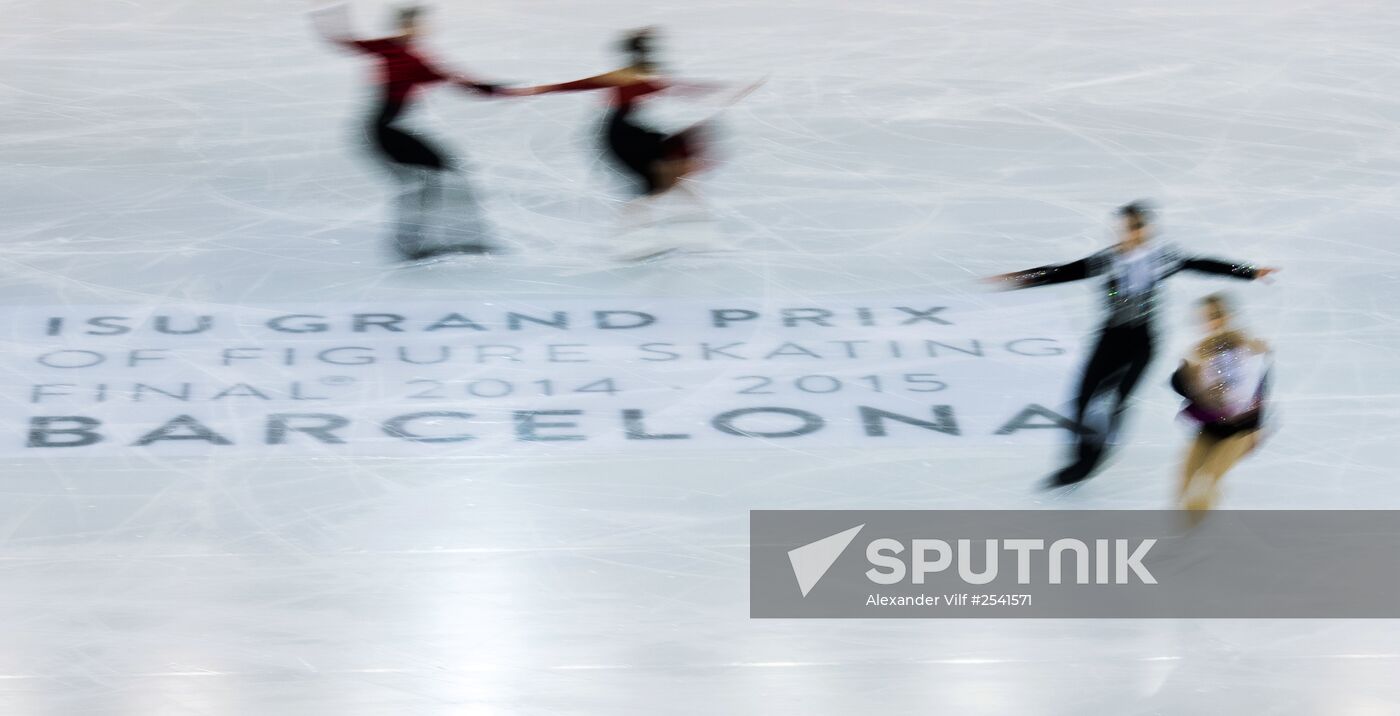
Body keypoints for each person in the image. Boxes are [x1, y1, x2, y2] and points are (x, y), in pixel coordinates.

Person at [987, 202, 1279, 486]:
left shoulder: (1161, 259)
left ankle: (1092, 461)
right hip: (1109, 339)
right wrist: (1023, 278)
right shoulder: (1109, 259)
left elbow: (1202, 264)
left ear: (1145, 230)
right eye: (1125, 229)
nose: (1129, 234)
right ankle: (1079, 460)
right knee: (1084, 397)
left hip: (1141, 343)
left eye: (1135, 228)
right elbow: (1063, 272)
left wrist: (1249, 272)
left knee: (1114, 401)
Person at [507, 28, 753, 257]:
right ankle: (654, 241)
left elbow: (677, 87)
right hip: (624, 138)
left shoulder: (634, 75)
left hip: (628, 133)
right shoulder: (634, 76)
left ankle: (690, 238)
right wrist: (725, 90)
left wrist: (722, 90)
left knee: (673, 181)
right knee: (662, 183)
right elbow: (678, 88)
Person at [310, 3, 501, 261]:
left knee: (434, 175)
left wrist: (488, 88)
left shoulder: (406, 55)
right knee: (429, 177)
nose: (419, 28)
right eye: (415, 24)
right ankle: (424, 242)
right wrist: (330, 14)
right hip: (383, 132)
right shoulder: (400, 53)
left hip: (386, 130)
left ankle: (429, 240)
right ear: (406, 25)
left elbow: (452, 79)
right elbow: (345, 41)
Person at [1171, 294, 1270, 512]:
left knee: (1207, 481)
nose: (1213, 321)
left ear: (1229, 315)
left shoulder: (1248, 346)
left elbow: (1260, 387)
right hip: (1211, 427)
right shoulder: (1199, 352)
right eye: (1207, 317)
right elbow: (1181, 387)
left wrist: (1256, 430)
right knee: (1184, 479)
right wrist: (1189, 376)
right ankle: (1181, 534)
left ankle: (1195, 536)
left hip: (1240, 431)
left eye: (1217, 315)